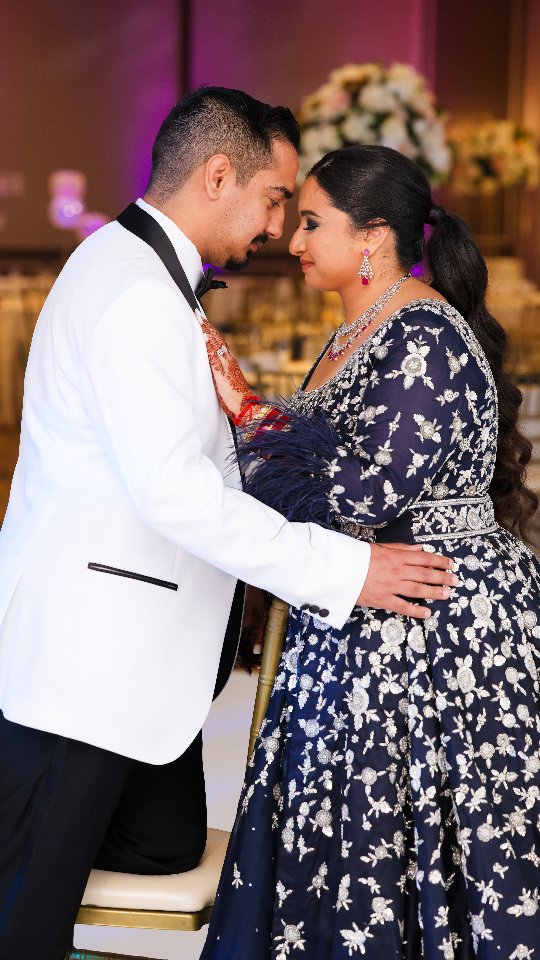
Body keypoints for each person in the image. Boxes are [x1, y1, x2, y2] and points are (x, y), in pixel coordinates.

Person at [0, 92, 453, 960]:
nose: (279, 227)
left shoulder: (151, 282)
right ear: (217, 176)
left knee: (167, 843)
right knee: (26, 913)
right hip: (84, 667)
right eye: (276, 197)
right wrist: (345, 567)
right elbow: (176, 493)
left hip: (136, 678)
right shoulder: (133, 292)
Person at [199, 144, 540, 959]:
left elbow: (362, 494)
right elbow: (321, 471)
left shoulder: (419, 330)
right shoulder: (359, 328)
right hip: (365, 605)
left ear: (374, 236)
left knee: (418, 843)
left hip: (436, 627)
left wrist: (248, 410)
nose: (294, 240)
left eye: (313, 222)